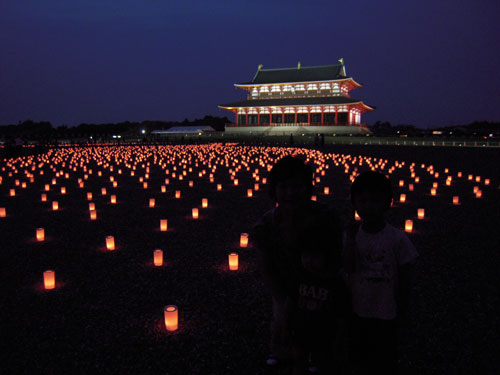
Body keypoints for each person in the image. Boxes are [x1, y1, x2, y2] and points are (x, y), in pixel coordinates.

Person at [252, 156, 344, 374]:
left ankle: (315, 354)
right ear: (274, 190)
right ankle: (284, 352)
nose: (290, 193)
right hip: (285, 283)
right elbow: (265, 266)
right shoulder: (267, 224)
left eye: (296, 187)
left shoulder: (324, 217)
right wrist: (282, 298)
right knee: (283, 321)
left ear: (307, 188)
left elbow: (336, 256)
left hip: (320, 285)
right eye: (283, 187)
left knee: (320, 326)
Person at [343, 171, 418, 375]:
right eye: (363, 200)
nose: (369, 206)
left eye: (375, 200)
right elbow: (347, 267)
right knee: (358, 357)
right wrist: (349, 239)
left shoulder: (397, 239)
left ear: (388, 203)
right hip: (358, 309)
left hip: (387, 312)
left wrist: (403, 309)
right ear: (354, 203)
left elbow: (406, 276)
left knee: (385, 359)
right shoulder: (352, 236)